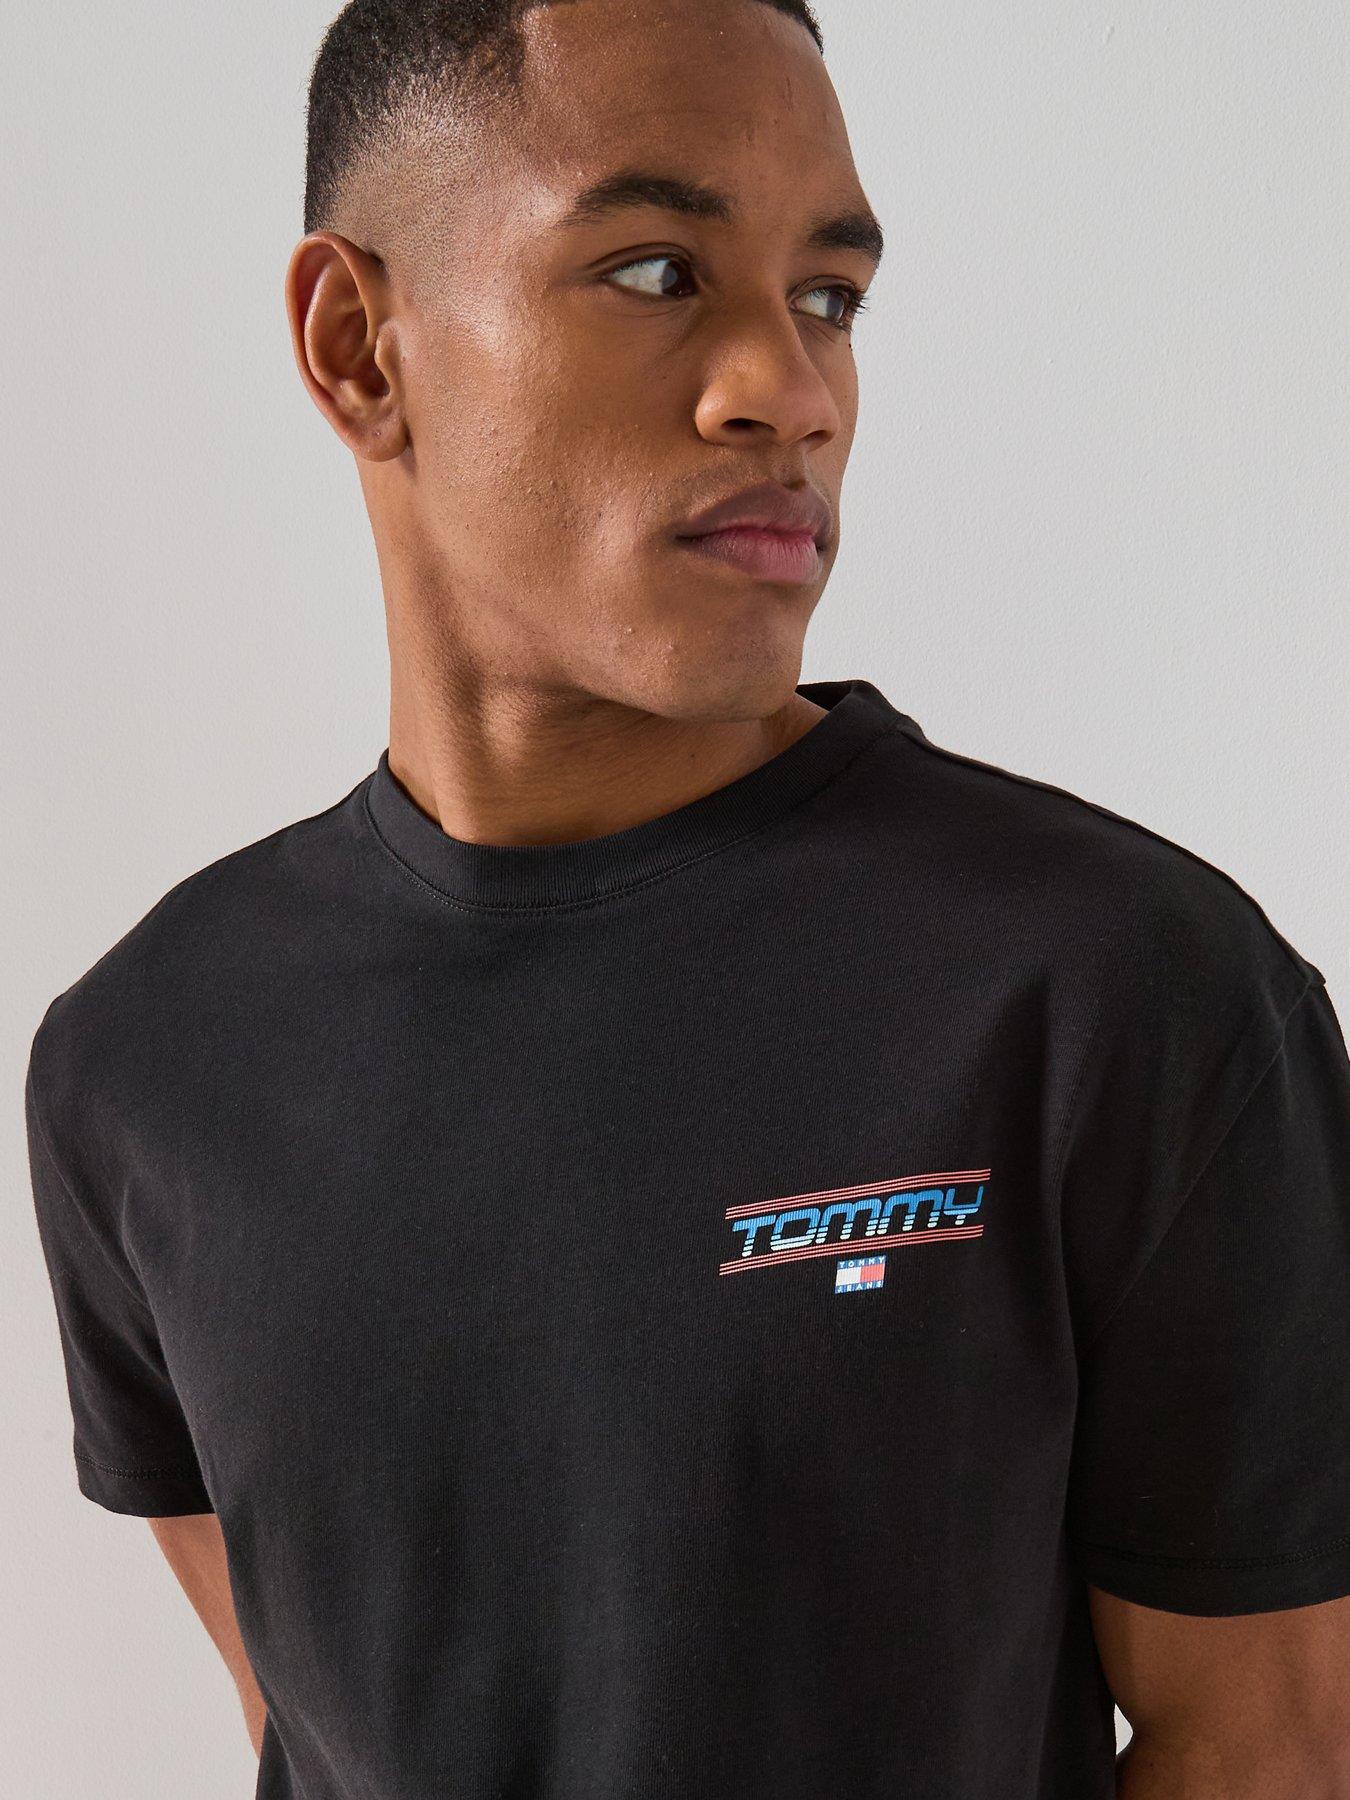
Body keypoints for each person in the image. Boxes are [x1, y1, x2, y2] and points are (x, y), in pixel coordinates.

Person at [24, 2, 1350, 1795]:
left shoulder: (1120, 990)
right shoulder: (142, 1063)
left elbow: (1270, 1743)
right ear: (357, 347)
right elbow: (316, 1736)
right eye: (655, 272)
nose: (789, 392)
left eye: (829, 295)